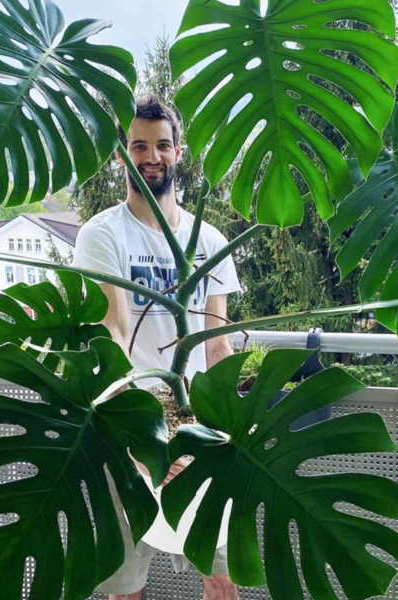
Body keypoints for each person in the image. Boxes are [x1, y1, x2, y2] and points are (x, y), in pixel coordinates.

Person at [74, 93, 241, 600]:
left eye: (162, 145)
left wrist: (228, 432)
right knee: (126, 586)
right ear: (123, 153)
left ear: (179, 151)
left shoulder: (208, 239)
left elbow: (217, 346)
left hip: (199, 427)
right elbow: (114, 337)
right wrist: (140, 439)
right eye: (139, 145)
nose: (151, 156)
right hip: (130, 427)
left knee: (222, 575)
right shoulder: (103, 235)